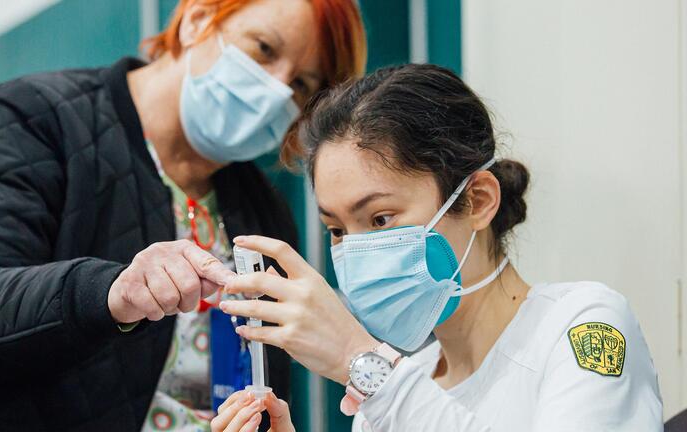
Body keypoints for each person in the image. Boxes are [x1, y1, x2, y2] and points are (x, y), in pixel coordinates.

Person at [0, 0, 366, 430]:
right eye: (264, 49)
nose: (276, 90)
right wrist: (109, 293)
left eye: (301, 85)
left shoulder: (261, 211)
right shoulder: (40, 118)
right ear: (197, 19)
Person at [213, 64, 663, 431]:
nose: (355, 252)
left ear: (478, 200)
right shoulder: (394, 390)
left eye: (381, 219)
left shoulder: (583, 325)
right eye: (337, 230)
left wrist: (361, 361)